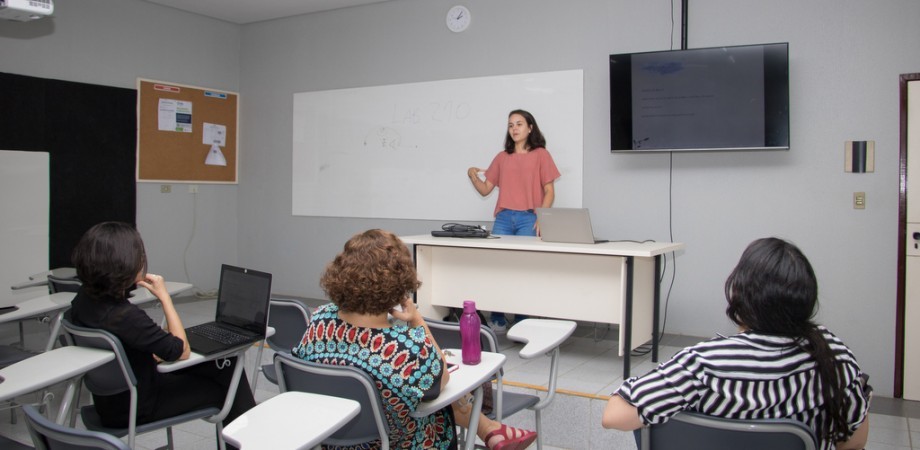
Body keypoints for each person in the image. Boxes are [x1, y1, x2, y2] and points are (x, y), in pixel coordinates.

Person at [601, 237, 871, 450]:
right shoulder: (835, 358)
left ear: (740, 294)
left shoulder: (704, 363)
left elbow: (613, 416)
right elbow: (854, 442)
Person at [293, 229, 537, 450]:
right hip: (402, 442)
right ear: (400, 285)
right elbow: (442, 378)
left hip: (333, 437)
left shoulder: (319, 319)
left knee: (419, 387)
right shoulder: (406, 348)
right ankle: (490, 429)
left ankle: (490, 430)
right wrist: (417, 320)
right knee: (439, 393)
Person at [66, 222, 256, 433]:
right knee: (228, 387)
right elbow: (180, 351)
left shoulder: (83, 300)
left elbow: (134, 342)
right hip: (140, 406)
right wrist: (164, 297)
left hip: (112, 403)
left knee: (225, 363)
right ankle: (248, 442)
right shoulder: (125, 316)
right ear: (123, 262)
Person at [467, 109, 561, 332]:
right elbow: (485, 190)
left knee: (523, 268)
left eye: (519, 124)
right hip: (504, 218)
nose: (515, 128)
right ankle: (497, 315)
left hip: (528, 217)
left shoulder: (541, 155)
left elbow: (549, 192)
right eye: (511, 125)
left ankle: (521, 318)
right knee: (499, 268)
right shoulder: (502, 157)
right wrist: (472, 174)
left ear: (530, 128)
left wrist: (542, 216)